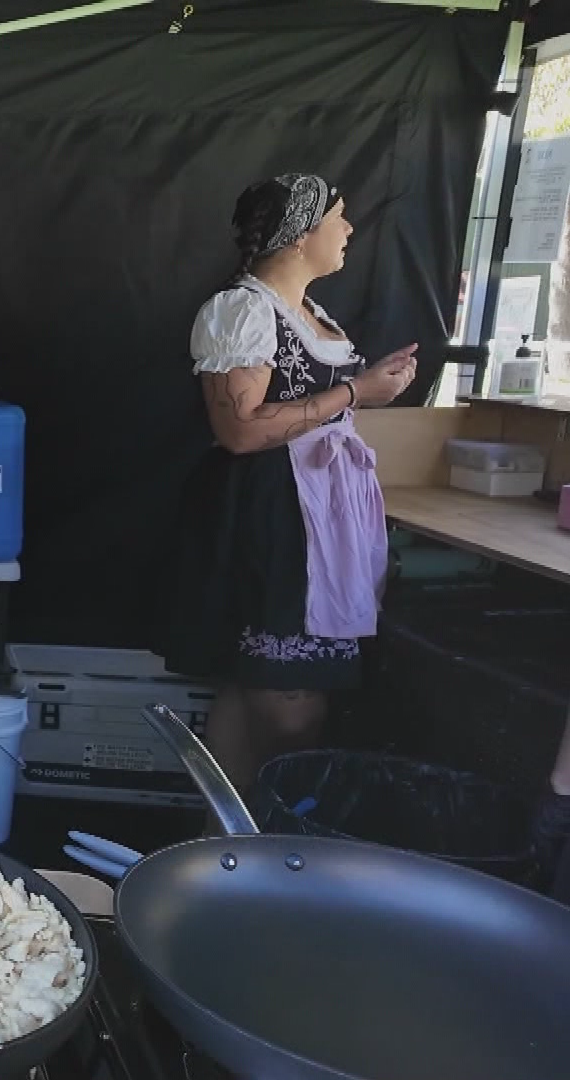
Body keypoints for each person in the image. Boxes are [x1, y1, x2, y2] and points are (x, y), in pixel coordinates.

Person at [153, 174, 419, 792]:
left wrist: (369, 388)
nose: (348, 229)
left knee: (249, 692)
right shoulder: (241, 311)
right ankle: (269, 824)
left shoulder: (309, 314)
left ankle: (229, 835)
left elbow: (316, 407)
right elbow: (240, 430)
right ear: (300, 235)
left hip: (317, 512)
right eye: (338, 217)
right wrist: (355, 391)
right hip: (275, 515)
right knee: (288, 703)